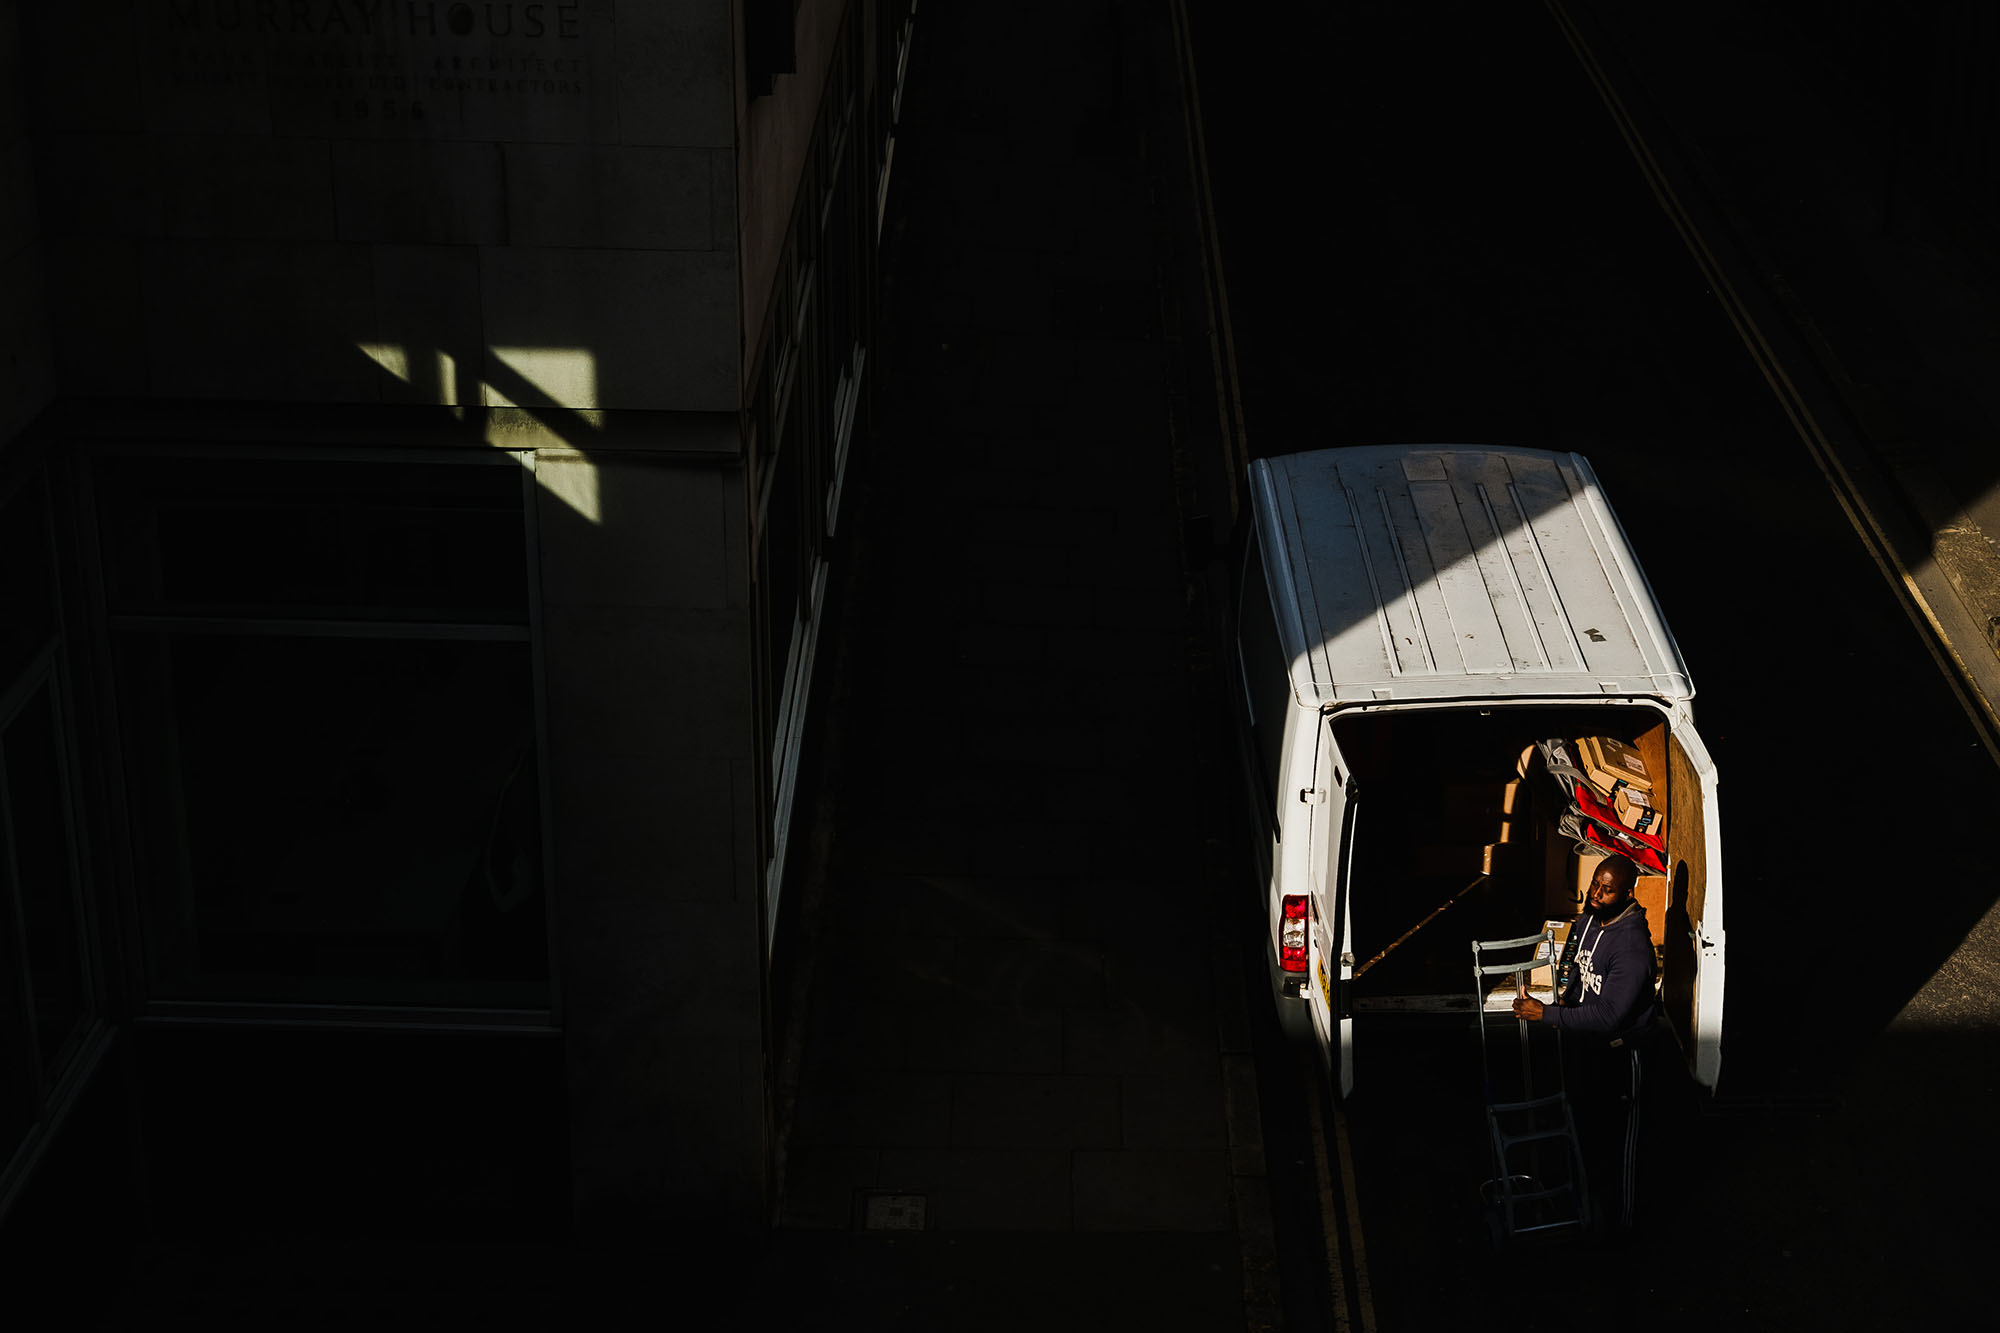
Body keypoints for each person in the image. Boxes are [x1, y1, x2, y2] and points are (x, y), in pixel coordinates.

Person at [1512, 853, 1663, 1229]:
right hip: (1586, 1051)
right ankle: (1585, 1216)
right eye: (1595, 884)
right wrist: (1565, 995)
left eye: (1606, 890)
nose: (1595, 894)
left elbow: (1609, 1015)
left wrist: (1546, 1015)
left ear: (1627, 893)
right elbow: (1576, 969)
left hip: (1620, 1058)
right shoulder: (1589, 921)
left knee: (1618, 1151)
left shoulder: (1632, 948)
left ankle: (1622, 1234)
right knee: (1584, 1136)